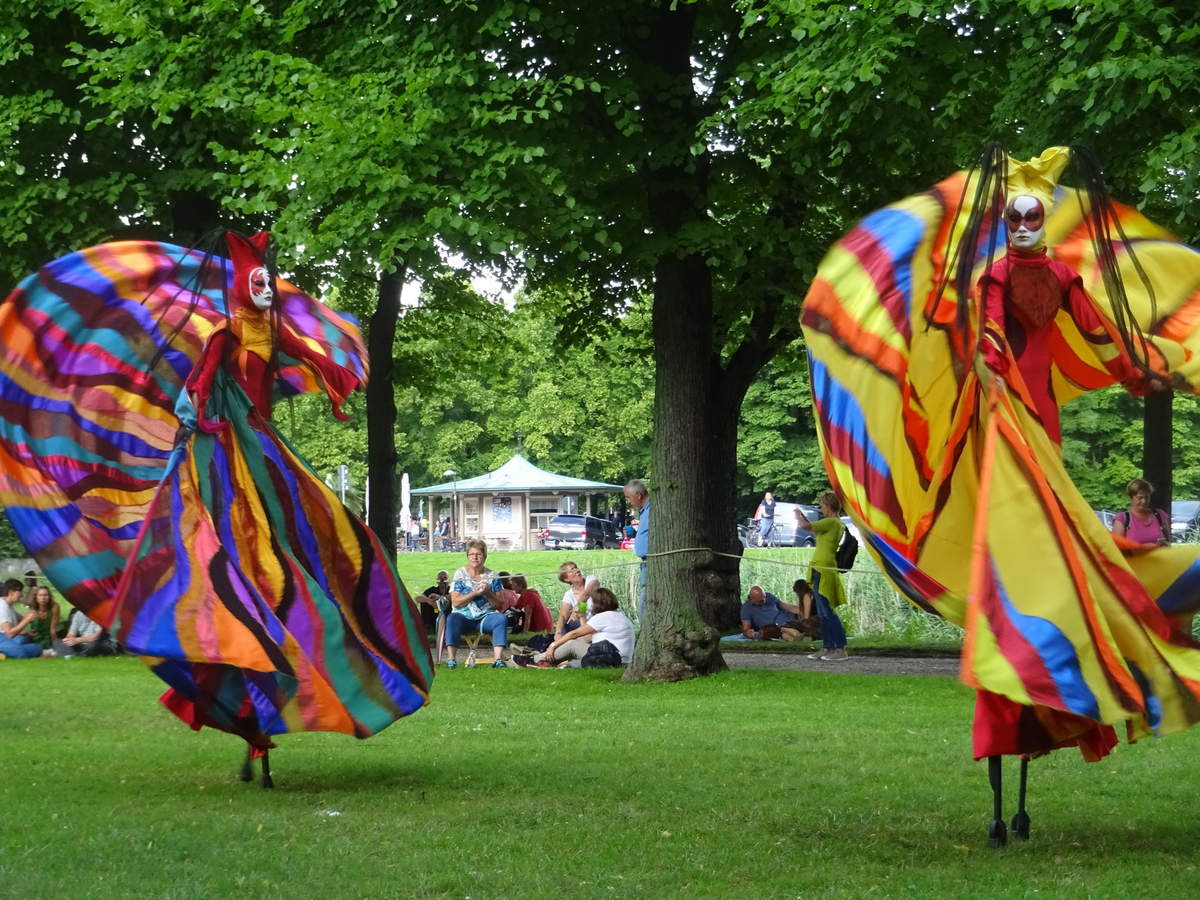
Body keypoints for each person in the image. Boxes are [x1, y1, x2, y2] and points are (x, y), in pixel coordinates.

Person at [0, 232, 433, 765]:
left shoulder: (269, 328)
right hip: (223, 443)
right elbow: (203, 380)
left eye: (268, 285)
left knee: (314, 541)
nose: (267, 293)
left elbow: (306, 354)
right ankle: (243, 680)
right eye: (258, 285)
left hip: (260, 446)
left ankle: (313, 664)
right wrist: (194, 420)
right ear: (243, 290)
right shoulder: (228, 330)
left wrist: (338, 380)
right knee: (238, 558)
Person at [515, 587, 635, 668]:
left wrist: (553, 646)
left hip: (610, 658)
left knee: (572, 643)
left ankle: (535, 659)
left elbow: (573, 634)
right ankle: (544, 658)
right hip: (618, 659)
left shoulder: (602, 617)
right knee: (579, 641)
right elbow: (587, 638)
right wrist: (582, 617)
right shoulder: (621, 617)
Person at [795, 493, 849, 661]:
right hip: (819, 569)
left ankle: (840, 648)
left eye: (822, 505)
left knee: (827, 612)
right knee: (823, 613)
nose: (821, 508)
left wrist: (797, 515)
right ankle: (828, 647)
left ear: (829, 506)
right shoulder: (832, 524)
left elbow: (806, 526)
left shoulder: (832, 522)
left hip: (824, 570)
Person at [444, 539, 508, 669]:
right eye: (472, 554)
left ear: (484, 556)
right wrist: (474, 593)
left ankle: (498, 660)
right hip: (463, 616)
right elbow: (455, 603)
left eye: (478, 554)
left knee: (501, 619)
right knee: (451, 618)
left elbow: (500, 606)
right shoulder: (460, 574)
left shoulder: (493, 576)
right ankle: (451, 660)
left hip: (485, 617)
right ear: (467, 556)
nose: (475, 557)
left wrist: (488, 593)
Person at [1111, 478, 1170, 549]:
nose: (1144, 501)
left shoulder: (1159, 515)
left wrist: (1166, 545)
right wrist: (1148, 547)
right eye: (1140, 498)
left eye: (1147, 497)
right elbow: (1117, 550)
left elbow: (1169, 541)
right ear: (1131, 497)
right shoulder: (1122, 519)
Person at [624, 478, 650, 624]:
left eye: (628, 497)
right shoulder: (644, 511)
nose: (628, 501)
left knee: (645, 597)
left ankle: (644, 627)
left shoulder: (652, 509)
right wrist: (635, 531)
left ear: (638, 495)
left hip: (652, 561)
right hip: (645, 561)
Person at [739, 585, 804, 641]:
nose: (764, 600)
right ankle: (799, 637)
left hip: (787, 620)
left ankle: (798, 637)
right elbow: (746, 629)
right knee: (781, 633)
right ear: (752, 599)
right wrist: (749, 633)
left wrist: (801, 610)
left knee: (787, 630)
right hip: (772, 629)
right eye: (761, 600)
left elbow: (784, 606)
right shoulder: (746, 609)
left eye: (764, 597)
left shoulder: (769, 596)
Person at [554, 561, 598, 639]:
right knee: (563, 629)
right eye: (572, 570)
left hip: (595, 621)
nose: (577, 570)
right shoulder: (569, 594)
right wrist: (558, 632)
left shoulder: (591, 579)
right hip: (581, 622)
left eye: (576, 567)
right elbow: (563, 615)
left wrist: (577, 608)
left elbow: (587, 594)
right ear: (567, 579)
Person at [0, 578, 42, 659]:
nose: (22, 595)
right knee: (21, 653)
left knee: (37, 648)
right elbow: (9, 634)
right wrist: (27, 619)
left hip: (4, 637)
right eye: (20, 592)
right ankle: (4, 653)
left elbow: (21, 618)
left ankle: (6, 652)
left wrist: (25, 631)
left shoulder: (8, 605)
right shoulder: (2, 607)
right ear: (11, 592)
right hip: (3, 638)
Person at [24, 585, 61, 655]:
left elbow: (52, 631)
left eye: (46, 595)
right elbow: (22, 626)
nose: (43, 598)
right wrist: (26, 632)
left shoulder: (55, 607)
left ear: (49, 596)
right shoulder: (31, 612)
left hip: (50, 639)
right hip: (35, 640)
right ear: (36, 597)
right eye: (40, 595)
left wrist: (55, 643)